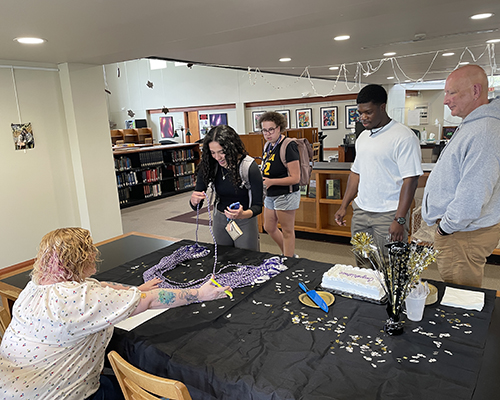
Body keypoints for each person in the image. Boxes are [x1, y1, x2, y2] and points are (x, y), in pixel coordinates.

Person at [0, 227, 230, 400]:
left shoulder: (35, 286)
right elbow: (150, 300)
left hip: (15, 388)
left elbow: (95, 286)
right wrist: (201, 293)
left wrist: (133, 291)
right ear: (81, 259)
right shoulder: (76, 300)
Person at [422, 64, 500, 288]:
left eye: (451, 92)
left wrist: (445, 227)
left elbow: (473, 194)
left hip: (463, 234)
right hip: (462, 232)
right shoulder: (475, 125)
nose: (445, 100)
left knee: (461, 299)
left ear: (476, 91)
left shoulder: (484, 131)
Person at [335, 84, 423, 246]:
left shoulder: (404, 137)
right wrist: (343, 206)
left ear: (382, 107)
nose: (363, 117)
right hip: (361, 211)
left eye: (368, 112)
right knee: (363, 265)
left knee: (390, 267)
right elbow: (356, 174)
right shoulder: (362, 137)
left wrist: (400, 219)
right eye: (360, 113)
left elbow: (411, 181)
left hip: (389, 214)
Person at [190, 125, 263, 251]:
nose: (217, 157)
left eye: (221, 152)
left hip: (245, 220)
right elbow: (197, 204)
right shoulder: (209, 164)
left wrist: (243, 214)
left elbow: (257, 206)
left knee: (247, 260)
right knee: (222, 258)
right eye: (213, 152)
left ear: (231, 148)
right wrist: (194, 201)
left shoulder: (248, 167)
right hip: (220, 218)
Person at [258, 111, 301, 257]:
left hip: (286, 194)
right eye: (264, 130)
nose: (268, 133)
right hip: (270, 193)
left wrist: (271, 181)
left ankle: (288, 261)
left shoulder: (288, 145)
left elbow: (296, 178)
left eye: (271, 129)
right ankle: (289, 255)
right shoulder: (268, 146)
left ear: (279, 128)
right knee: (269, 226)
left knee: (288, 230)